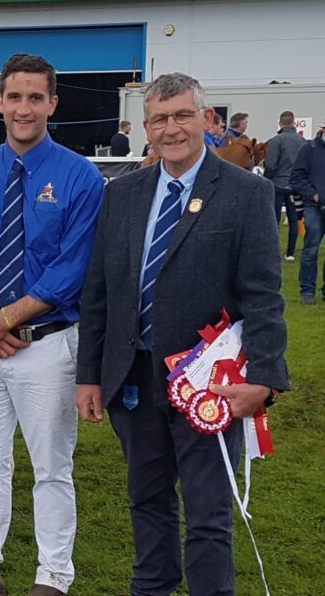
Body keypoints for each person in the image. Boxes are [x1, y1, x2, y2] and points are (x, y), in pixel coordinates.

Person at [75, 72, 289, 596]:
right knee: (147, 501)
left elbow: (263, 295)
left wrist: (264, 378)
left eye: (182, 116)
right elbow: (99, 291)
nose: (171, 129)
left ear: (207, 121)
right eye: (160, 119)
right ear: (146, 127)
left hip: (207, 384)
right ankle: (152, 588)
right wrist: (89, 375)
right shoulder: (121, 194)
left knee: (208, 511)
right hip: (132, 376)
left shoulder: (247, 194)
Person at [0, 53, 104, 596]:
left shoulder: (81, 177)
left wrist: (1, 319)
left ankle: (53, 576)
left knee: (52, 468)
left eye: (35, 97)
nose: (23, 108)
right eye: (14, 97)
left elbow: (72, 270)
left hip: (49, 347)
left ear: (52, 103)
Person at [290, 117, 325, 305]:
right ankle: (307, 290)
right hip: (314, 208)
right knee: (311, 250)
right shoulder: (309, 149)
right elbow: (296, 178)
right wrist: (314, 194)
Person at [265, 110, 306, 261]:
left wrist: (266, 179)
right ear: (294, 122)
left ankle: (273, 250)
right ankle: (290, 252)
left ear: (280, 123)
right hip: (295, 186)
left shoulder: (276, 141)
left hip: (278, 185)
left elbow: (270, 165)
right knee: (294, 219)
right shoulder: (302, 141)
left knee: (274, 219)